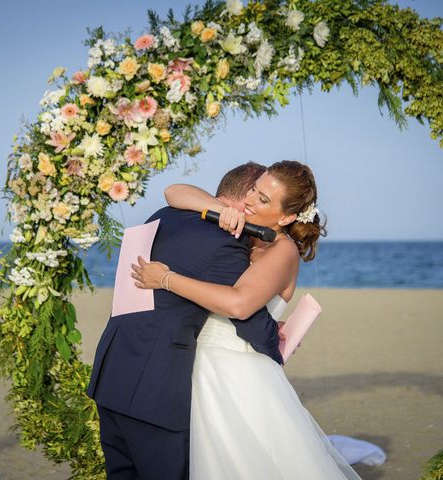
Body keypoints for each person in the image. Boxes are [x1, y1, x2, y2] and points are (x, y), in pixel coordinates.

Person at [131, 160, 363, 479]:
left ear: (287, 217)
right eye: (254, 190)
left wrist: (166, 279)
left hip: (236, 377)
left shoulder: (283, 251)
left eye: (264, 200)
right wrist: (218, 207)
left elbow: (239, 305)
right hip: (197, 367)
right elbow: (173, 192)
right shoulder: (244, 232)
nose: (251, 201)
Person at [87, 162, 282, 479]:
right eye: (258, 197)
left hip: (112, 374)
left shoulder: (165, 215)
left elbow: (174, 191)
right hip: (153, 392)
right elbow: (248, 319)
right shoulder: (225, 242)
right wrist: (278, 344)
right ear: (246, 195)